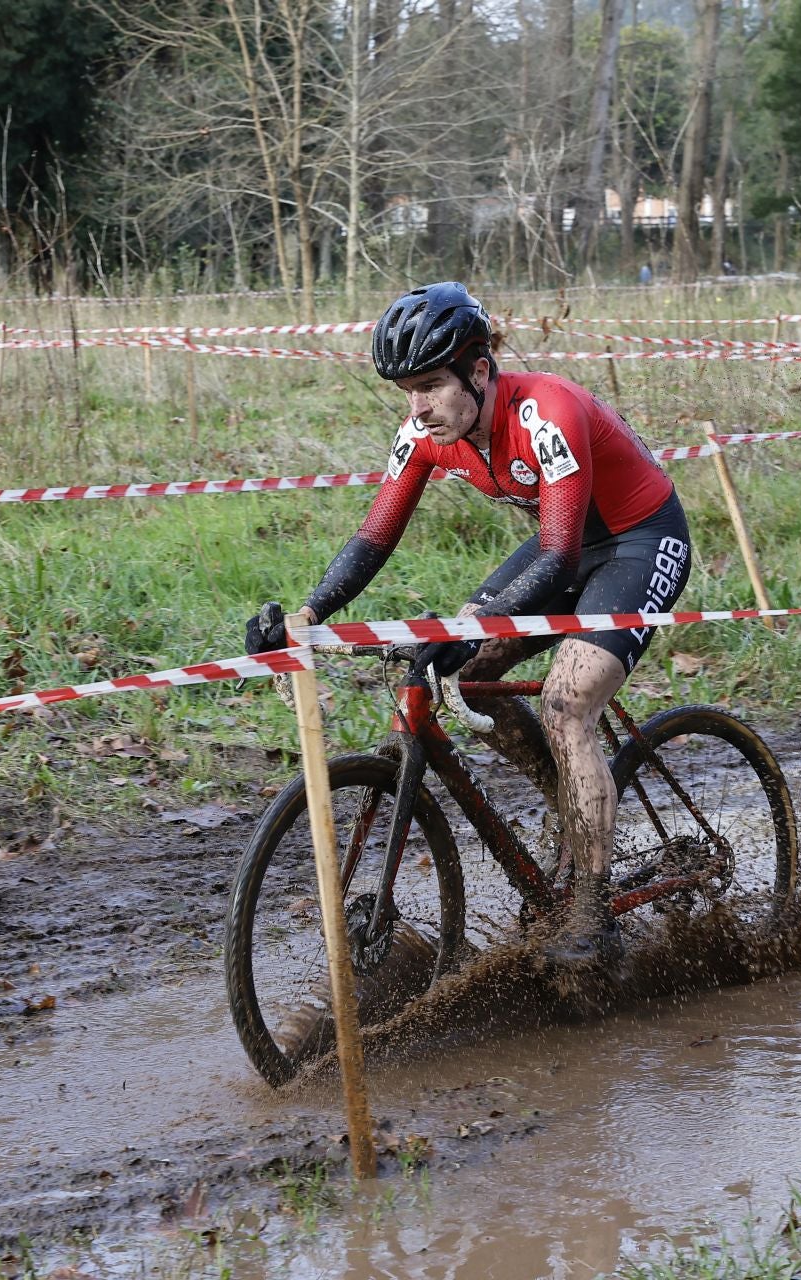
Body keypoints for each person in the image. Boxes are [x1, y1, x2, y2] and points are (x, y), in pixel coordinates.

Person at [248, 282, 692, 966]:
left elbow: (559, 554)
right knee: (475, 676)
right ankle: (573, 818)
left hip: (637, 539)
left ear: (479, 371)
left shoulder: (547, 411)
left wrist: (476, 622)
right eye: (406, 391)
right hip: (562, 543)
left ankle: (591, 908)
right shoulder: (425, 434)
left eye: (430, 386)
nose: (418, 407)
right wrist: (308, 613)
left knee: (566, 703)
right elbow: (375, 537)